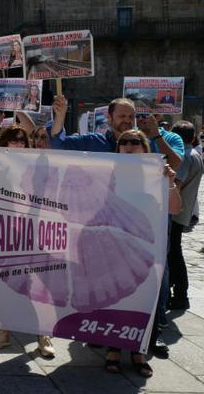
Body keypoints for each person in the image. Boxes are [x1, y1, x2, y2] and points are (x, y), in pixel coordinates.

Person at [103, 129, 182, 378]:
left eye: (134, 142)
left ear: (145, 148)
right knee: (116, 296)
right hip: (115, 246)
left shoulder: (158, 174)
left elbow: (175, 208)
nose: (128, 145)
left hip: (146, 248)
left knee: (143, 300)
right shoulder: (107, 172)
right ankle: (113, 347)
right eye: (123, 142)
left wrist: (169, 182)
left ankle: (138, 349)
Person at [0, 127, 55, 358]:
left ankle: (43, 334)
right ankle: (4, 331)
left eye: (23, 140)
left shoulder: (37, 164)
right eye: (13, 140)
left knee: (38, 284)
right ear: (4, 141)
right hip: (5, 231)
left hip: (34, 229)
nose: (18, 144)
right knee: (8, 284)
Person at [49, 96, 183, 171]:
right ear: (109, 117)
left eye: (131, 117)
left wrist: (157, 136)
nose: (127, 120)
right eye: (122, 116)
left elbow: (173, 166)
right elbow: (58, 145)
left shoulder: (144, 144)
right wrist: (60, 116)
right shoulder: (92, 142)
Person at [167, 121, 203, 310]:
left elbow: (176, 184)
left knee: (174, 253)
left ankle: (180, 294)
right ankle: (179, 292)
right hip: (184, 211)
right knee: (175, 252)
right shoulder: (196, 154)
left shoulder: (185, 157)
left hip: (175, 213)